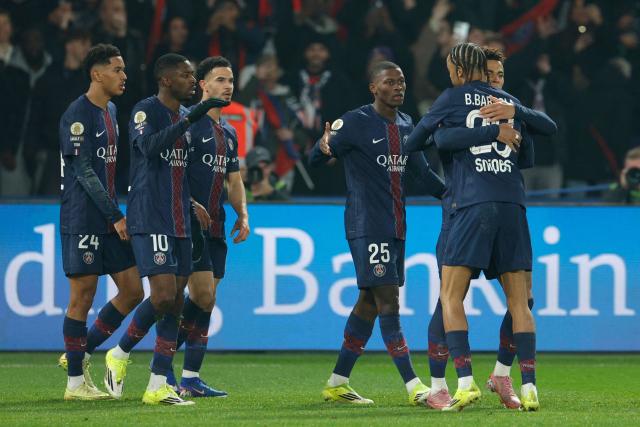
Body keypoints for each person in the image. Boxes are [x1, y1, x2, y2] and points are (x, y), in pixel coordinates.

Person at [406, 42, 539, 412]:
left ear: (461, 71)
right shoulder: (507, 104)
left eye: (500, 76)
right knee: (452, 298)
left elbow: (416, 144)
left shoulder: (456, 98)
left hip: (470, 205)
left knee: (456, 296)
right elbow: (532, 147)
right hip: (481, 204)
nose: (495, 82)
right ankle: (439, 385)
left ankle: (482, 378)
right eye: (492, 74)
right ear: (482, 69)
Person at [309, 61, 445, 406]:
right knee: (389, 301)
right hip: (367, 223)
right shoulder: (355, 122)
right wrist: (323, 146)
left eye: (401, 81)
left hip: (396, 224)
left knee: (369, 302)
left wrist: (454, 197)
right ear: (374, 88)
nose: (398, 87)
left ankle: (338, 382)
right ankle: (415, 386)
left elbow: (423, 173)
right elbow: (315, 155)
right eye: (390, 82)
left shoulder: (406, 125)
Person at [103, 53, 227, 406]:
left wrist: (191, 202)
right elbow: (150, 148)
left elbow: (179, 170)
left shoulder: (186, 116)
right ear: (167, 80)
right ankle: (120, 353)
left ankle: (158, 384)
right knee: (160, 296)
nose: (193, 81)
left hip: (180, 220)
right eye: (187, 76)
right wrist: (193, 120)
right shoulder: (146, 111)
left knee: (174, 302)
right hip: (150, 215)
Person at [58, 43, 143, 401]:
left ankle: (79, 352)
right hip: (84, 219)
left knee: (134, 290)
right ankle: (75, 385)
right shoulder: (77, 115)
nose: (124, 76)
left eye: (124, 70)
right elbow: (84, 173)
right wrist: (116, 215)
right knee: (82, 297)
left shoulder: (111, 110)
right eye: (117, 70)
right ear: (97, 74)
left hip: (109, 218)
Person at [172, 55, 250, 397]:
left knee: (207, 299)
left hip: (217, 226)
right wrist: (190, 204)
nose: (227, 85)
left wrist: (243, 214)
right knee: (202, 295)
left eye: (230, 79)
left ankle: (189, 378)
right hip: (190, 226)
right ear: (202, 85)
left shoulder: (229, 132)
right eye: (219, 79)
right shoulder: (188, 123)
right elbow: (173, 175)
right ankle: (160, 365)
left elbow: (234, 180)